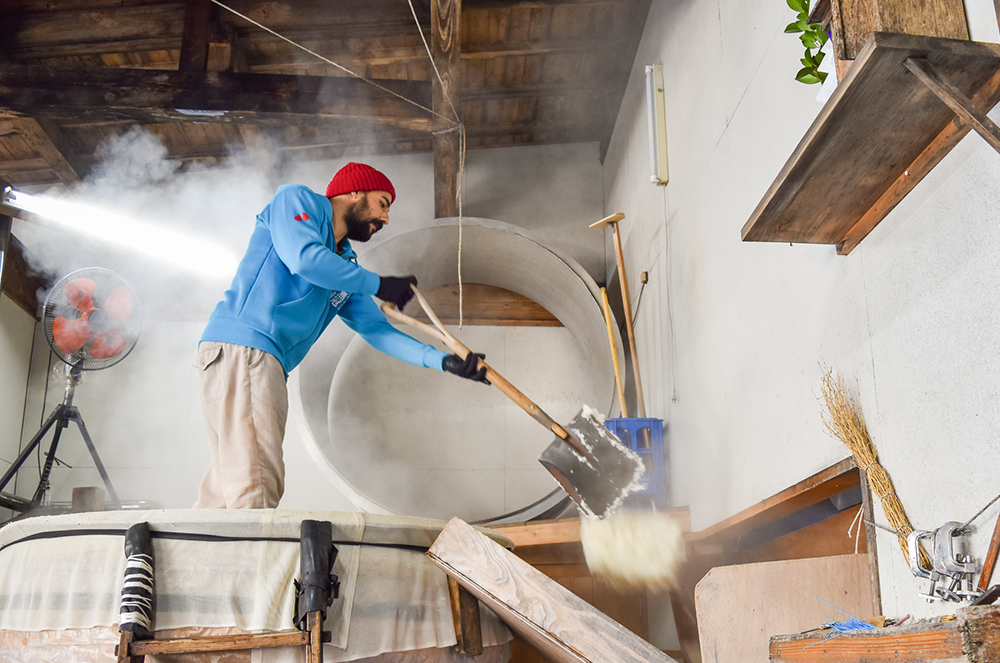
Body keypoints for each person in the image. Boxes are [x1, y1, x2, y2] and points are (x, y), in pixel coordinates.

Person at [193, 162, 488, 509]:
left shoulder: (346, 269)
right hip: (248, 348)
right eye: (383, 203)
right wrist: (379, 283)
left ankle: (191, 560)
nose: (386, 219)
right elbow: (304, 260)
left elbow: (378, 333)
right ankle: (257, 563)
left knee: (226, 489)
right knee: (254, 484)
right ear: (354, 192)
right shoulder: (297, 200)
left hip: (246, 359)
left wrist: (443, 361)